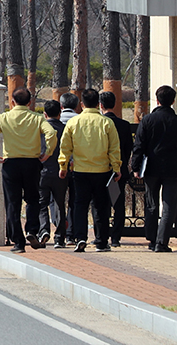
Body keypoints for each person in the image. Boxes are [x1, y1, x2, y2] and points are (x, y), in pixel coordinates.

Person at [0, 88, 57, 253]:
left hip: (11, 164)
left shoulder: (4, 118)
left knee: (12, 203)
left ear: (12, 102)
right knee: (32, 199)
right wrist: (47, 153)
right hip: (32, 163)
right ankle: (31, 230)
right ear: (30, 102)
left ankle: (18, 242)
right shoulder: (37, 118)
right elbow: (51, 133)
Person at [58, 88, 121, 253]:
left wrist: (63, 166)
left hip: (80, 171)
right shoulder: (106, 123)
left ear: (82, 104)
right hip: (102, 171)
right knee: (101, 206)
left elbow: (65, 147)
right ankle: (101, 242)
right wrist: (116, 168)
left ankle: (80, 238)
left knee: (80, 205)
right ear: (98, 104)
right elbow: (114, 148)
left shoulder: (73, 122)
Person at [132, 85, 177, 252]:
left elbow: (139, 145)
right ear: (173, 101)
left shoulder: (147, 120)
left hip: (151, 168)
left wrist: (136, 167)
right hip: (173, 169)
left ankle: (152, 239)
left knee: (151, 204)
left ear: (157, 101)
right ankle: (162, 242)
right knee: (169, 206)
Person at [99, 91, 133, 247]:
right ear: (115, 104)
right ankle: (116, 238)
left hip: (101, 169)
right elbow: (128, 149)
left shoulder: (99, 124)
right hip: (119, 170)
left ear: (100, 105)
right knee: (118, 204)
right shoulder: (124, 125)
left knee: (101, 204)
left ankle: (102, 235)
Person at [38, 100, 68, 248]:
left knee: (41, 203)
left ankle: (43, 230)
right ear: (60, 112)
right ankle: (59, 237)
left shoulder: (40, 130)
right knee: (60, 203)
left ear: (45, 114)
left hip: (42, 171)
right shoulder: (65, 129)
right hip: (61, 172)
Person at [58, 91, 80, 242]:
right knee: (74, 200)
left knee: (57, 201)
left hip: (58, 167)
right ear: (77, 106)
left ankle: (60, 234)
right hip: (77, 166)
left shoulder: (55, 120)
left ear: (61, 106)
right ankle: (71, 234)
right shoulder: (79, 120)